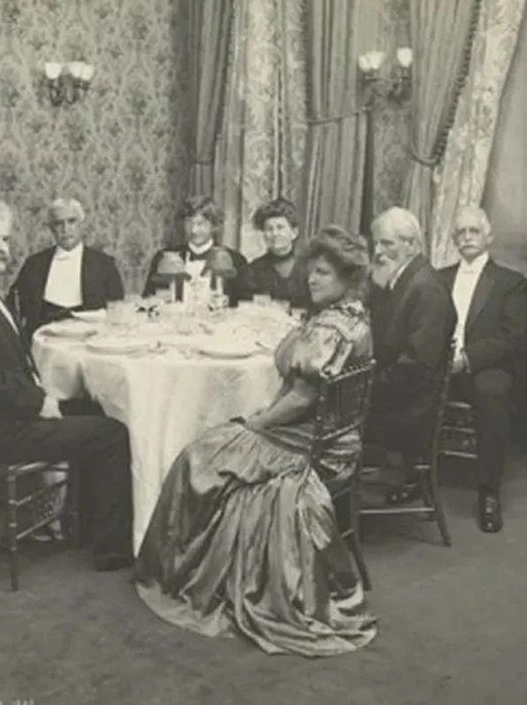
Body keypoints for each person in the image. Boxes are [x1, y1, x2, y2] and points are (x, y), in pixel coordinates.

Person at [135, 225, 377, 657]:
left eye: (323, 273)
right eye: (312, 271)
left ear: (346, 279)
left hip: (306, 447)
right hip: (322, 438)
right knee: (208, 450)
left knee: (199, 457)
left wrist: (255, 425)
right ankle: (182, 565)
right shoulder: (349, 316)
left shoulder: (331, 329)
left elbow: (301, 397)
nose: (312, 279)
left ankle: (182, 573)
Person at [0, 199, 133, 571]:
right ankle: (111, 549)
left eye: (5, 238)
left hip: (1, 417)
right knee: (113, 434)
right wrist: (38, 401)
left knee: (97, 411)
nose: (3, 247)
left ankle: (84, 528)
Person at [437, 206, 527, 533]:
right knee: (408, 381)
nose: (467, 237)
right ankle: (413, 476)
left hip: (485, 365)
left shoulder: (511, 283)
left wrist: (467, 358)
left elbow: (513, 339)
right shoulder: (439, 278)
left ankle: (488, 491)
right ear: (454, 240)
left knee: (491, 393)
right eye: (461, 232)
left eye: (474, 231)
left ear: (488, 236)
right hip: (441, 364)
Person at [364, 207, 456, 498]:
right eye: (376, 243)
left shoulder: (426, 289)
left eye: (387, 243)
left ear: (412, 245)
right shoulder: (403, 278)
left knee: (321, 409)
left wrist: (367, 385)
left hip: (409, 408)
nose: (378, 251)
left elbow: (415, 368)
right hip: (399, 392)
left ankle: (332, 497)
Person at [8, 198, 124, 344]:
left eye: (71, 221)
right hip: (42, 339)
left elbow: (117, 308)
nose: (65, 229)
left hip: (90, 340)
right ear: (51, 229)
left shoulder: (104, 264)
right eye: (58, 223)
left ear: (81, 225)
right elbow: (15, 302)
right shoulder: (34, 264)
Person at [142, 195, 253, 306]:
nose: (194, 230)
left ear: (214, 226)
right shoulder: (164, 258)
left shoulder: (235, 260)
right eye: (189, 223)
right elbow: (148, 299)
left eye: (201, 223)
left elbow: (246, 305)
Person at [247, 197, 310, 309]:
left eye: (280, 228)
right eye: (269, 229)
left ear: (294, 232)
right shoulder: (254, 270)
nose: (275, 234)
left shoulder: (310, 265)